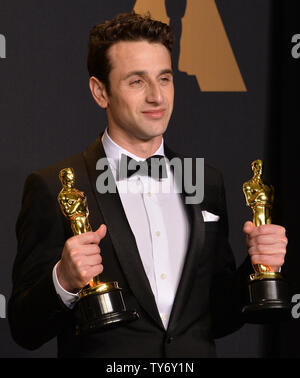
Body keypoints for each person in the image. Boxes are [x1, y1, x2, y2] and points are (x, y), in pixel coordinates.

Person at [8, 12, 287, 358]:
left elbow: (216, 317)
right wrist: (62, 280)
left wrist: (257, 267)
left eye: (165, 79)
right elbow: (23, 328)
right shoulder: (55, 186)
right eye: (137, 81)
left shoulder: (204, 180)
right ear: (100, 92)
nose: (157, 97)